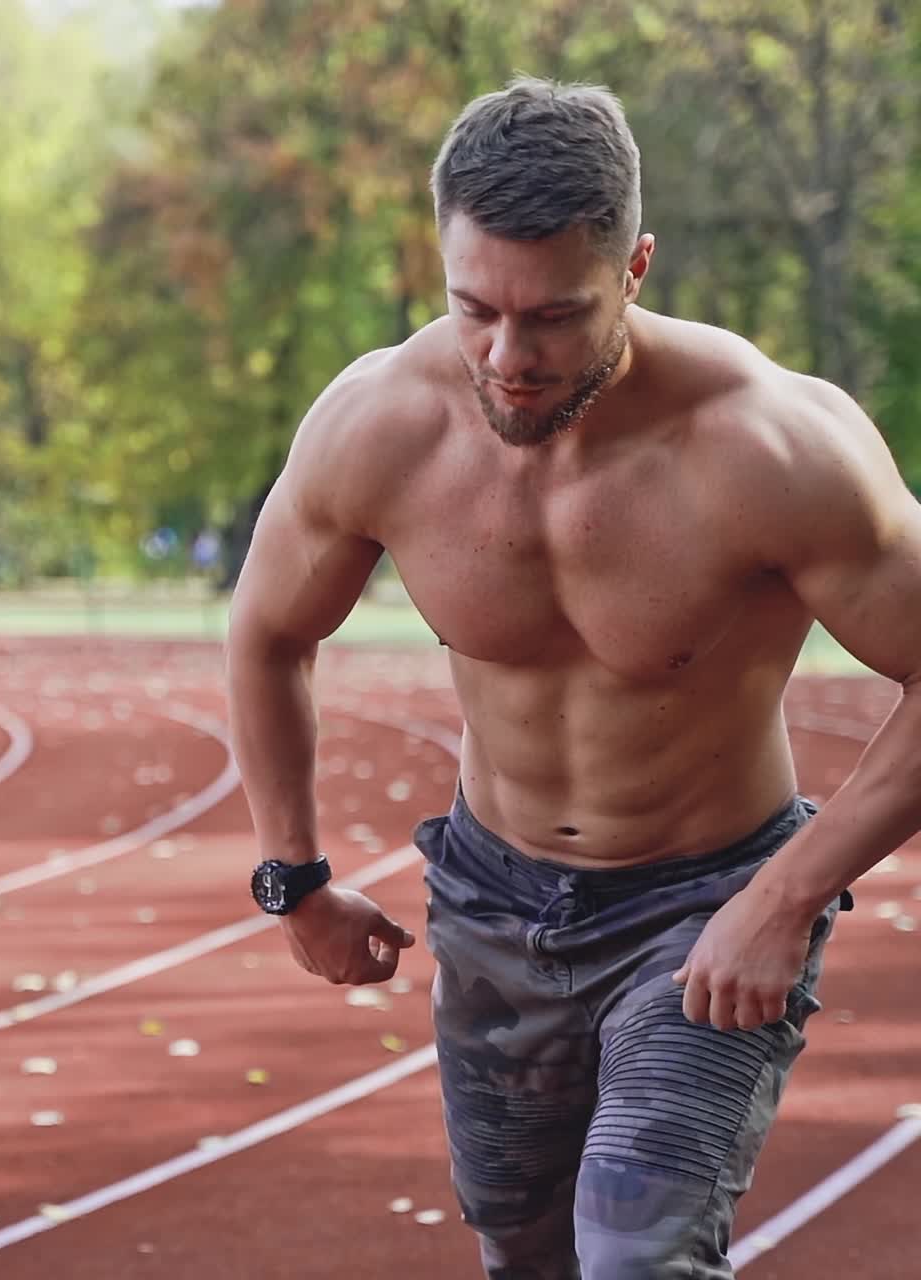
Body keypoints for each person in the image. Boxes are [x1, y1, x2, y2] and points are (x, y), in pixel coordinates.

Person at [225, 75, 921, 1279]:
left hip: (701, 907)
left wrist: (781, 897)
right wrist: (294, 876)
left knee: (634, 1253)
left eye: (553, 315)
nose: (509, 356)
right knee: (526, 1254)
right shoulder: (377, 424)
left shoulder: (770, 446)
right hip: (492, 905)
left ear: (635, 266)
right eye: (472, 308)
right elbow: (265, 631)